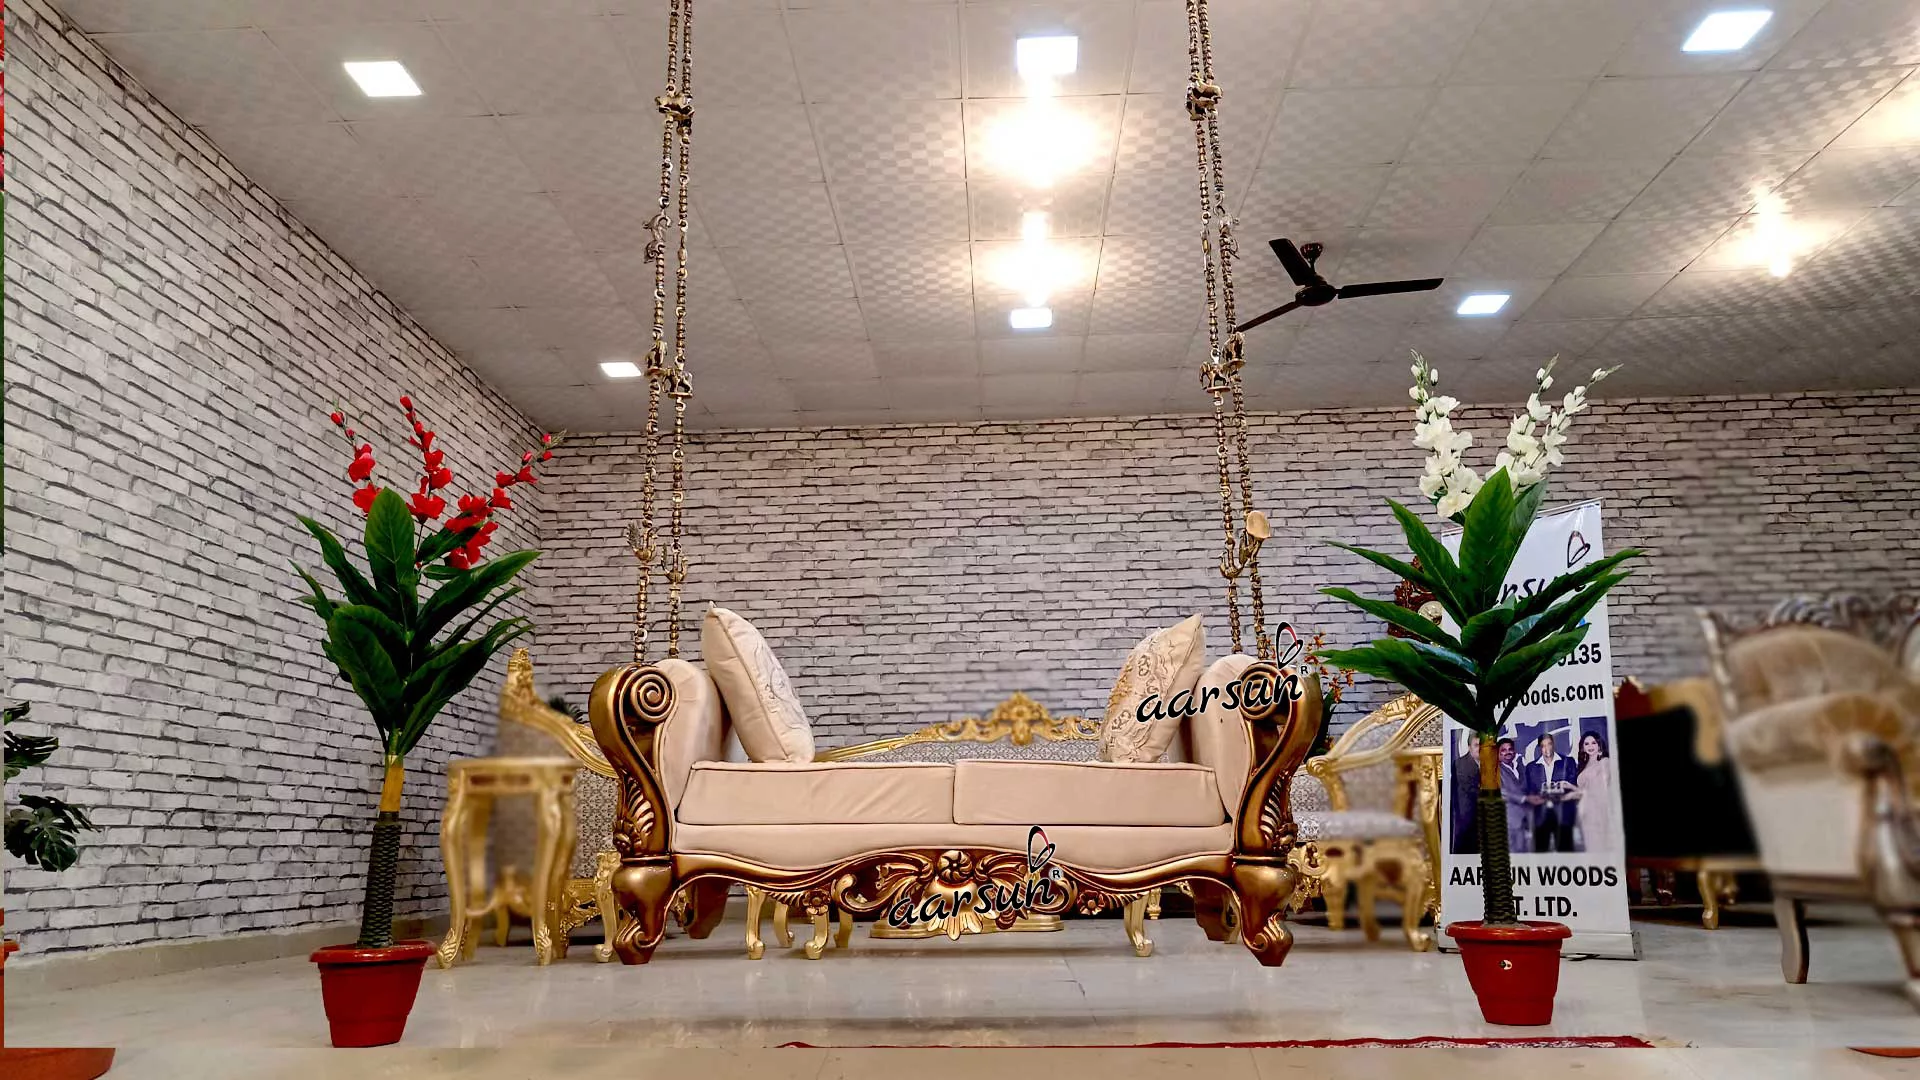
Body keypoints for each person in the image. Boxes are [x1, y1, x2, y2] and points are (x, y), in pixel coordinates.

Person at [1525, 733, 1580, 852]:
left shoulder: (1567, 762)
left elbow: (1573, 785)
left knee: (1565, 851)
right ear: (1539, 748)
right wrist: (1537, 797)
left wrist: (1561, 794)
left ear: (1553, 744)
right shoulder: (1531, 767)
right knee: (1541, 852)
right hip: (1541, 815)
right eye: (1543, 746)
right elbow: (1530, 790)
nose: (1547, 748)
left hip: (1562, 814)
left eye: (1549, 744)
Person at [1567, 730, 1617, 852]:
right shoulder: (1584, 764)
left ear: (1599, 745)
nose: (1590, 746)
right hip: (1586, 812)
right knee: (1591, 848)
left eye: (1593, 743)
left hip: (1600, 812)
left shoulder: (1605, 762)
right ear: (1583, 747)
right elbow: (1585, 791)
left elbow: (1600, 790)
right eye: (1586, 744)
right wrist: (1570, 787)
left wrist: (1573, 793)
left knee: (1601, 848)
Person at [1497, 737, 1531, 854]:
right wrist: (1524, 798)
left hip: (1524, 821)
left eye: (1510, 749)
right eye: (1503, 750)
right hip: (1507, 823)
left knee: (1524, 855)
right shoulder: (1494, 770)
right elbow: (1500, 792)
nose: (1508, 752)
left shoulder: (1520, 767)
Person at [1450, 740, 1479, 854]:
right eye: (1476, 745)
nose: (1480, 748)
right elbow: (1471, 789)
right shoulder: (1460, 764)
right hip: (1466, 822)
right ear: (1469, 747)